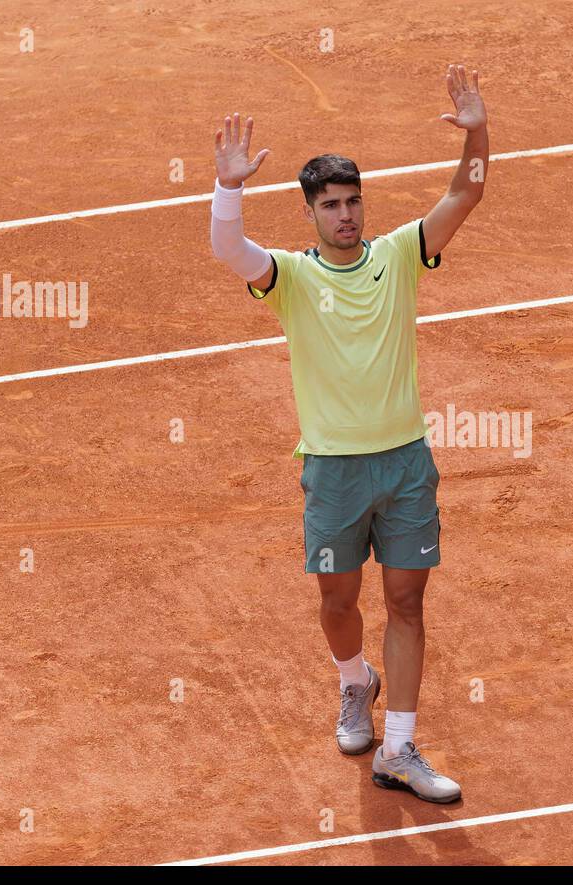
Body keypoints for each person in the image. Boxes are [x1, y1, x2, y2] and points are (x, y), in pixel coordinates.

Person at [209, 65, 488, 803]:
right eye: (331, 205)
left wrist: (477, 131)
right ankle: (352, 682)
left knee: (406, 602)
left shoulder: (399, 256)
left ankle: (398, 748)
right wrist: (228, 186)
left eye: (353, 202)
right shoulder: (292, 279)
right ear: (309, 213)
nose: (346, 215)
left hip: (403, 464)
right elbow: (229, 251)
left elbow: (468, 192)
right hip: (332, 470)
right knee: (338, 602)